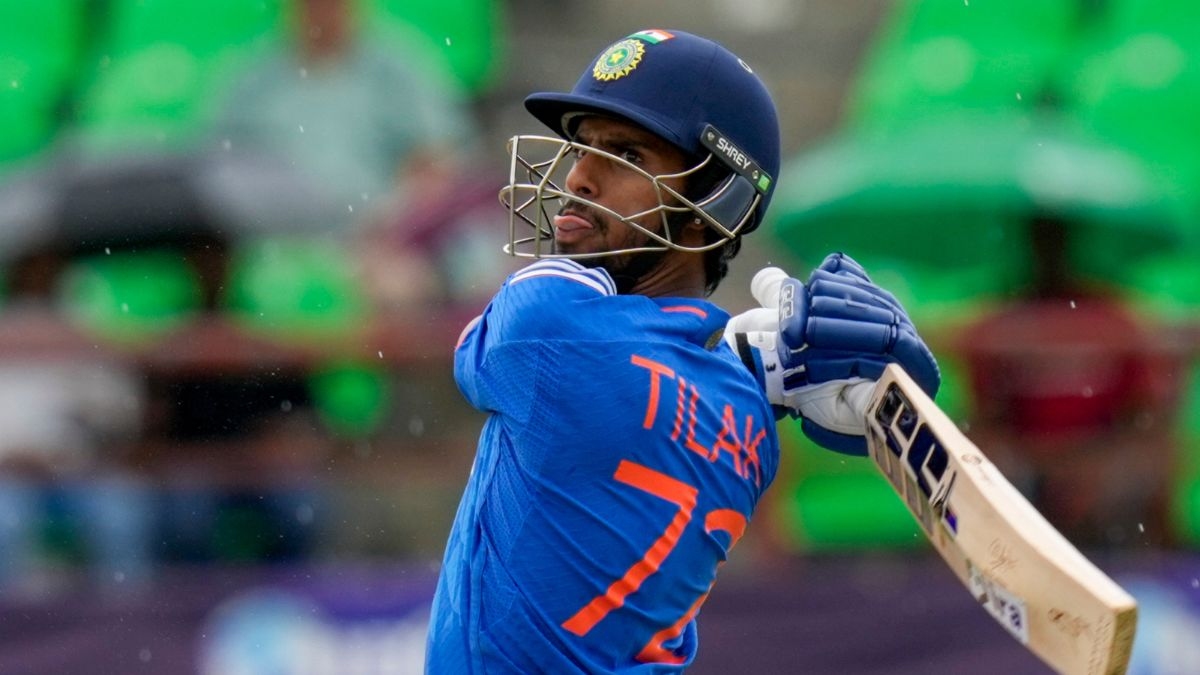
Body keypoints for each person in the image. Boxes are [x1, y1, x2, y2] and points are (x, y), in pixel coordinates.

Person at [426, 29, 940, 671]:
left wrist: (759, 361)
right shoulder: (749, 416)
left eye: (625, 154)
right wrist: (763, 368)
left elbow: (520, 354)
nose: (578, 178)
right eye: (581, 147)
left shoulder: (547, 325)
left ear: (716, 198)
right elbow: (667, 383)